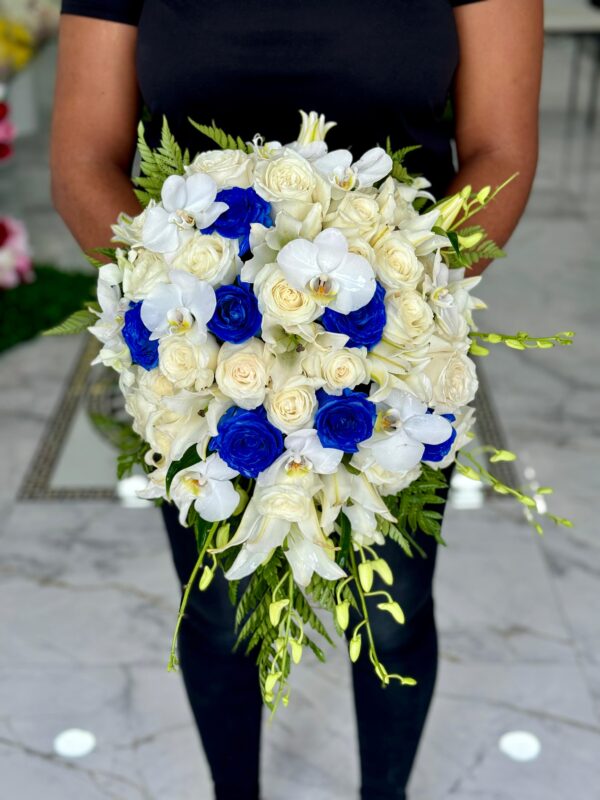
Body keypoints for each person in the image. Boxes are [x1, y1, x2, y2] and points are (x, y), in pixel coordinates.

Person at [50, 2, 543, 798]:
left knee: (394, 606)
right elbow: (82, 159)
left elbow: (501, 151)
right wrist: (201, 317)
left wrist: (383, 316)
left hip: (393, 353)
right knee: (214, 608)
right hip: (199, 354)